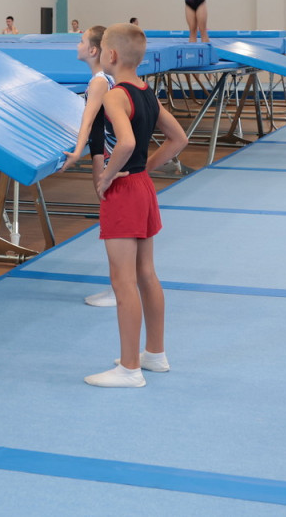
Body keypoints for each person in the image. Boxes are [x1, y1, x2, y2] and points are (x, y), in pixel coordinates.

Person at [83, 23, 189, 387]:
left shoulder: (116, 95)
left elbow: (125, 143)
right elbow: (179, 138)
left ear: (111, 55)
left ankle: (129, 368)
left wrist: (107, 176)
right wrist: (146, 168)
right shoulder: (147, 93)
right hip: (143, 186)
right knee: (146, 274)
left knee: (123, 281)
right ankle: (154, 354)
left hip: (125, 191)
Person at [64, 26, 120, 309]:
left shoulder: (99, 82)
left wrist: (77, 152)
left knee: (113, 225)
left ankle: (118, 289)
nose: (78, 45)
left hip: (105, 154)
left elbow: (87, 121)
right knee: (113, 222)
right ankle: (117, 286)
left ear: (93, 50)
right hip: (105, 151)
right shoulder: (107, 78)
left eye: (81, 41)